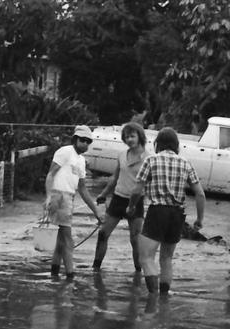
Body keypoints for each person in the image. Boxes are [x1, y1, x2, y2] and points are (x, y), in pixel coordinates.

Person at [129, 127, 205, 295]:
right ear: (176, 145)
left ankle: (153, 297)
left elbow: (136, 190)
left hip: (157, 211)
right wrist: (199, 219)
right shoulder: (185, 163)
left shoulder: (151, 160)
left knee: (146, 257)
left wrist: (132, 206)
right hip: (178, 214)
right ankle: (163, 298)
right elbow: (200, 193)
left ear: (157, 144)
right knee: (167, 258)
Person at [44, 125, 104, 280]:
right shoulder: (65, 152)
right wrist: (49, 196)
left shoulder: (81, 161)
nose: (85, 144)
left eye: (88, 141)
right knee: (67, 239)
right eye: (82, 140)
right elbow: (51, 174)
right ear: (75, 139)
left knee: (60, 242)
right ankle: (70, 275)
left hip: (69, 198)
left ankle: (55, 274)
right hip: (59, 196)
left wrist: (96, 211)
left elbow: (83, 189)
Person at [91, 121, 151, 272]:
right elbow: (115, 177)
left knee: (135, 239)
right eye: (126, 137)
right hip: (118, 198)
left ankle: (138, 272)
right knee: (103, 233)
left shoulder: (148, 158)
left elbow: (151, 183)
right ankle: (96, 268)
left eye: (132, 136)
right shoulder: (122, 155)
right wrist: (103, 194)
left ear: (139, 136)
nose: (129, 139)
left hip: (136, 201)